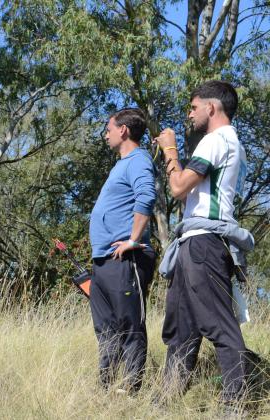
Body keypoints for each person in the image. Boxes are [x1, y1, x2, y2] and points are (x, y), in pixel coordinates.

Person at [155, 80, 252, 407]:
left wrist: (170, 149)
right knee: (182, 332)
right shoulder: (224, 142)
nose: (190, 113)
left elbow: (179, 188)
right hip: (194, 243)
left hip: (205, 245)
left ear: (212, 108)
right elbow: (191, 198)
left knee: (221, 328)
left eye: (194, 107)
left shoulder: (217, 139)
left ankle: (234, 407)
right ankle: (163, 403)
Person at [88, 108, 156, 393]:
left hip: (126, 259)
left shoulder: (138, 160)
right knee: (106, 329)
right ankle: (105, 389)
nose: (106, 134)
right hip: (104, 260)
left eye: (108, 128)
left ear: (123, 130)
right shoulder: (122, 164)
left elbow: (147, 196)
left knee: (129, 326)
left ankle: (130, 391)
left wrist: (132, 239)